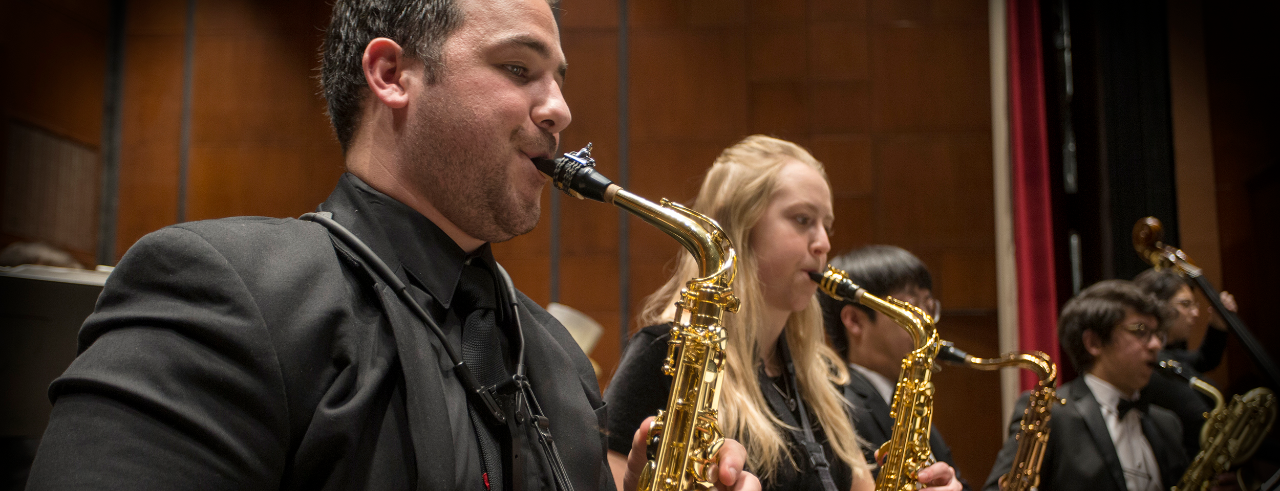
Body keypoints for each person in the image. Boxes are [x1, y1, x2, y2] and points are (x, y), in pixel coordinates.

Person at [24, 0, 758, 490]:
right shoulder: (220, 288)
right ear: (390, 74)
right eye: (517, 69)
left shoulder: (558, 357)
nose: (560, 108)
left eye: (558, 79)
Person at [604, 135, 961, 491]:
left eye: (827, 225)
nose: (824, 243)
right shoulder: (665, 352)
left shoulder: (817, 376)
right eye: (802, 219)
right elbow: (608, 481)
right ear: (741, 229)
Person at [983, 280, 1188, 491]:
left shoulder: (1167, 424)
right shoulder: (1049, 414)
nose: (1155, 345)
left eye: (1157, 334)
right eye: (1140, 331)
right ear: (1094, 342)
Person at [818, 245, 971, 491]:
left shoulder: (914, 411)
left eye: (928, 305)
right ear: (855, 321)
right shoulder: (834, 407)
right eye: (911, 305)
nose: (926, 320)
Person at [1132, 268, 1236, 458]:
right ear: (1157, 306)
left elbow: (1203, 360)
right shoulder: (1152, 364)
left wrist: (1218, 326)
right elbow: (1203, 422)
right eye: (1185, 304)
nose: (1195, 313)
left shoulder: (1168, 354)